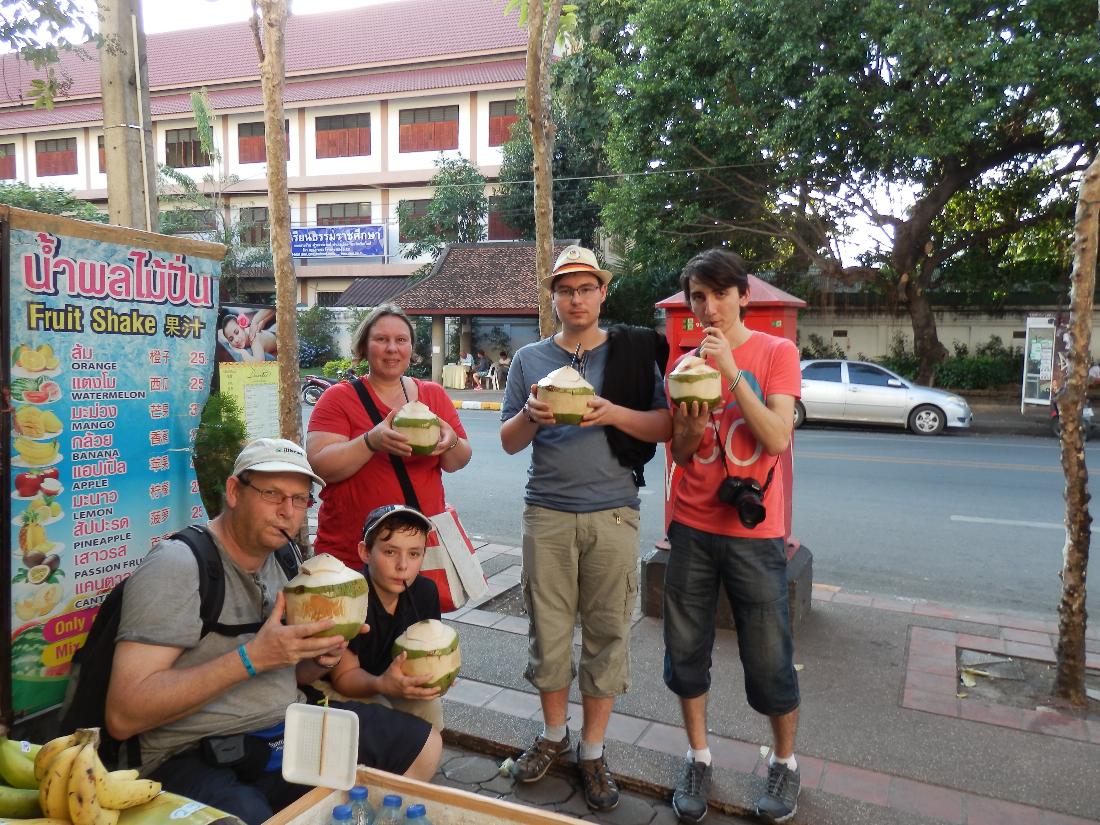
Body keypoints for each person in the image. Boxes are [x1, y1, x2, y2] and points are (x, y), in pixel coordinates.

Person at [104, 439, 442, 825]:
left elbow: (293, 674)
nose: (287, 511)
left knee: (422, 745)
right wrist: (252, 658)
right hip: (191, 751)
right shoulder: (178, 566)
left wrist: (320, 658)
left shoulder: (285, 560)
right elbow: (123, 715)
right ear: (234, 491)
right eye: (272, 494)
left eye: (299, 499)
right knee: (249, 817)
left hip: (287, 730)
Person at [500, 244, 671, 812]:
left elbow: (664, 426)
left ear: (602, 292)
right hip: (547, 512)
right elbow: (508, 442)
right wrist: (531, 415)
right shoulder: (529, 359)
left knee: (607, 633)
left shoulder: (630, 354)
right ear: (553, 297)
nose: (576, 299)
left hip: (614, 512)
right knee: (548, 632)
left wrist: (610, 411)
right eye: (566, 290)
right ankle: (554, 736)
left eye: (586, 288)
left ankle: (593, 751)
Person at [663, 248, 801, 824]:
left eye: (720, 294)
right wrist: (691, 424)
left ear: (744, 296)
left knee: (768, 657)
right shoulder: (682, 365)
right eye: (699, 297)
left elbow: (776, 437)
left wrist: (731, 372)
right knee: (685, 652)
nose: (709, 307)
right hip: (691, 527)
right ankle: (698, 757)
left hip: (754, 534)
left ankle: (785, 763)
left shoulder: (776, 352)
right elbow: (680, 452)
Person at [306, 303, 472, 568]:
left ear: (411, 348)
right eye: (381, 339)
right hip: (352, 553)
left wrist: (450, 441)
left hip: (416, 553)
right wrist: (370, 442)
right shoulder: (338, 398)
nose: (392, 348)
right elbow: (320, 466)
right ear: (364, 346)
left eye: (401, 340)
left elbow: (457, 461)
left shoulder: (433, 395)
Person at [329, 504, 444, 729]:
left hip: (389, 680)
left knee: (429, 706)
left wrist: (439, 672)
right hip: (341, 685)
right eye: (390, 552)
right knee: (381, 709)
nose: (403, 566)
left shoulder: (425, 592)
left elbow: (430, 651)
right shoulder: (350, 599)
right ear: (365, 552)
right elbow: (344, 677)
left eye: (414, 554)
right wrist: (382, 684)